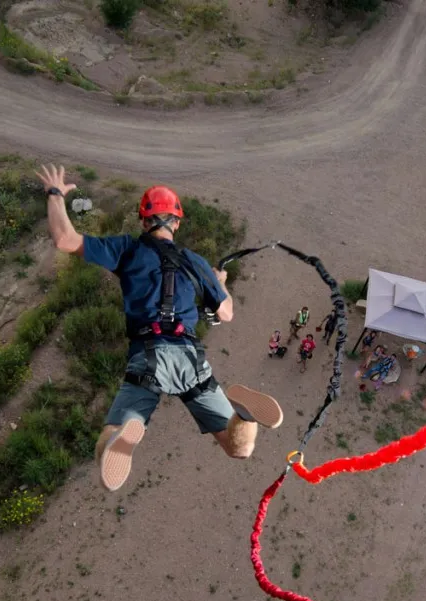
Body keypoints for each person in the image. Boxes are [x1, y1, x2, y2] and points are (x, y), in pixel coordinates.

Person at [36, 165, 283, 491]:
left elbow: (65, 239)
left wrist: (55, 193)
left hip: (148, 357)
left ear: (144, 221)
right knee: (239, 449)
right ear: (176, 223)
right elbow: (226, 312)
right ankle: (245, 417)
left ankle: (124, 431)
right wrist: (219, 282)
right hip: (191, 358)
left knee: (107, 443)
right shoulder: (195, 262)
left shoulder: (127, 249)